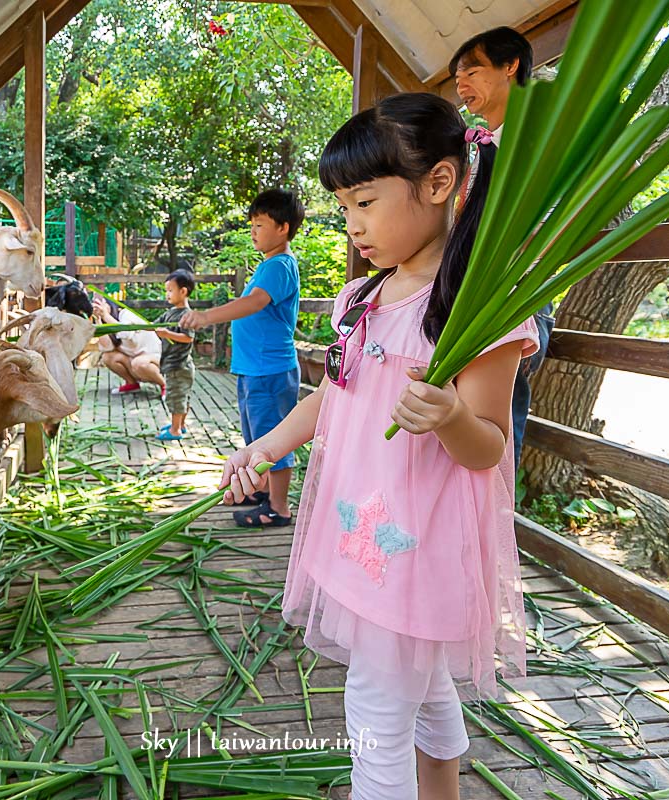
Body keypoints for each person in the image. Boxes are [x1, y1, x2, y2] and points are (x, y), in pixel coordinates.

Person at [218, 93, 537, 800]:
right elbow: (337, 391)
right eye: (343, 208)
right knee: (416, 688)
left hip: (418, 544)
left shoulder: (476, 307)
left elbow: (486, 448)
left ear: (440, 183)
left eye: (365, 201)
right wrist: (264, 446)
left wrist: (450, 414)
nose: (353, 225)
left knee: (374, 704)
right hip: (360, 530)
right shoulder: (364, 296)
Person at [451, 26, 554, 472]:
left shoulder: (540, 137)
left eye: (471, 70)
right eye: (456, 77)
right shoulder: (478, 146)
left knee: (494, 425)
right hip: (468, 294)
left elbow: (549, 221)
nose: (460, 85)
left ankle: (489, 533)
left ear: (511, 66)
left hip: (511, 297)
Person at [181, 189, 304, 528]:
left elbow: (254, 303)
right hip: (255, 369)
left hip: (270, 369)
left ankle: (278, 508)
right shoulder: (268, 265)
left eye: (260, 225)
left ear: (283, 227)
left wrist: (206, 317)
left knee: (274, 441)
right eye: (252, 224)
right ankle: (260, 491)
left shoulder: (279, 266)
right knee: (258, 438)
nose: (253, 231)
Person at [91, 295, 164, 396]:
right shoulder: (104, 323)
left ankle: (165, 385)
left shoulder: (126, 314)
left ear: (110, 304)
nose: (99, 308)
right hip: (134, 359)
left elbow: (126, 333)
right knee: (107, 357)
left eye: (102, 304)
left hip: (154, 357)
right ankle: (131, 383)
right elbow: (107, 347)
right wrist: (98, 320)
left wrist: (106, 316)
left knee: (138, 363)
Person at [154, 270, 197, 441]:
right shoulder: (170, 313)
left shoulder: (187, 315)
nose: (167, 294)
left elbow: (188, 338)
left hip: (179, 365)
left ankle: (175, 430)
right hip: (174, 364)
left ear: (183, 291)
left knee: (176, 397)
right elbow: (156, 326)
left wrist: (167, 334)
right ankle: (181, 425)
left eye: (170, 290)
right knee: (182, 396)